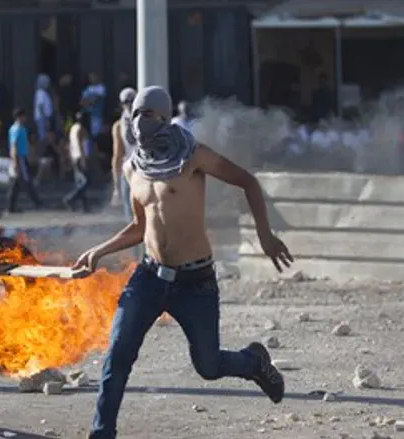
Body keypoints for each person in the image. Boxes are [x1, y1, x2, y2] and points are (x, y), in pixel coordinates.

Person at [73, 86, 291, 439]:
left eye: (149, 114)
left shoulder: (193, 156)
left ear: (164, 116)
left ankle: (254, 362)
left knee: (208, 366)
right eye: (136, 114)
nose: (141, 121)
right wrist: (99, 250)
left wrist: (265, 235)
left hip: (195, 282)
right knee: (117, 357)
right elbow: (139, 227)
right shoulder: (133, 168)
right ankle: (101, 434)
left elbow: (247, 182)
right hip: (148, 276)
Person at [7, 108, 43, 213]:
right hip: (19, 158)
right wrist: (15, 161)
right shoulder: (16, 129)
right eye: (23, 116)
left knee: (17, 183)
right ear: (19, 117)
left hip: (23, 157)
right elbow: (14, 146)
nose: (25, 118)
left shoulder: (22, 129)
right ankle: (37, 202)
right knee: (25, 181)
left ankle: (11, 206)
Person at [110, 87, 137, 220]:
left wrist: (117, 188)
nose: (130, 104)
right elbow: (117, 156)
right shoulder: (149, 118)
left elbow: (117, 157)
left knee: (132, 215)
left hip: (132, 170)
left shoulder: (119, 125)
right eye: (128, 101)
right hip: (137, 170)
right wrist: (116, 187)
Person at [63, 111, 91, 212]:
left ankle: (85, 206)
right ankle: (70, 199)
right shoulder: (80, 129)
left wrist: (71, 156)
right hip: (80, 157)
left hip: (75, 157)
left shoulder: (73, 128)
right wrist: (83, 158)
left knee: (80, 182)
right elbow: (80, 144)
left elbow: (70, 144)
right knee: (85, 182)